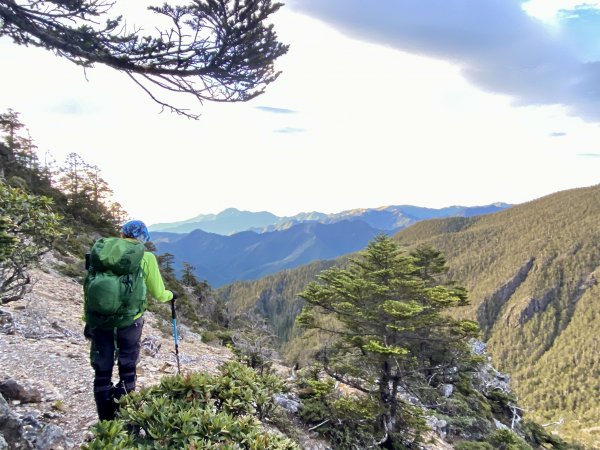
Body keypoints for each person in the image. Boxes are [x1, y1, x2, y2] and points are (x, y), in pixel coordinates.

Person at [83, 219, 178, 421]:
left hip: (100, 321)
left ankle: (106, 424)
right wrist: (172, 295)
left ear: (122, 234)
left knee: (102, 371)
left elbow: (89, 289)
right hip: (129, 321)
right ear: (143, 238)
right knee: (127, 369)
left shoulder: (101, 254)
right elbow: (159, 294)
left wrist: (89, 320)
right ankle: (124, 419)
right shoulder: (146, 257)